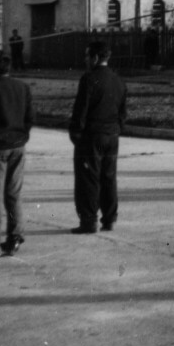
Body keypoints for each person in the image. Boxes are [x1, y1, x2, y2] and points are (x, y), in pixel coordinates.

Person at [70, 40, 128, 234]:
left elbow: (81, 110)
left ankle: (88, 221)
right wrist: (117, 128)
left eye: (87, 56)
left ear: (95, 57)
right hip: (112, 135)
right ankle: (110, 219)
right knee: (109, 177)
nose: (86, 59)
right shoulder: (118, 80)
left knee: (89, 179)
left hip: (92, 137)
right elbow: (123, 112)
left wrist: (76, 133)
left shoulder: (88, 79)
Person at [0, 51, 33, 258]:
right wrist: (22, 136)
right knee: (13, 194)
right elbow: (30, 117)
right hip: (18, 145)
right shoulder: (23, 87)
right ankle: (14, 238)